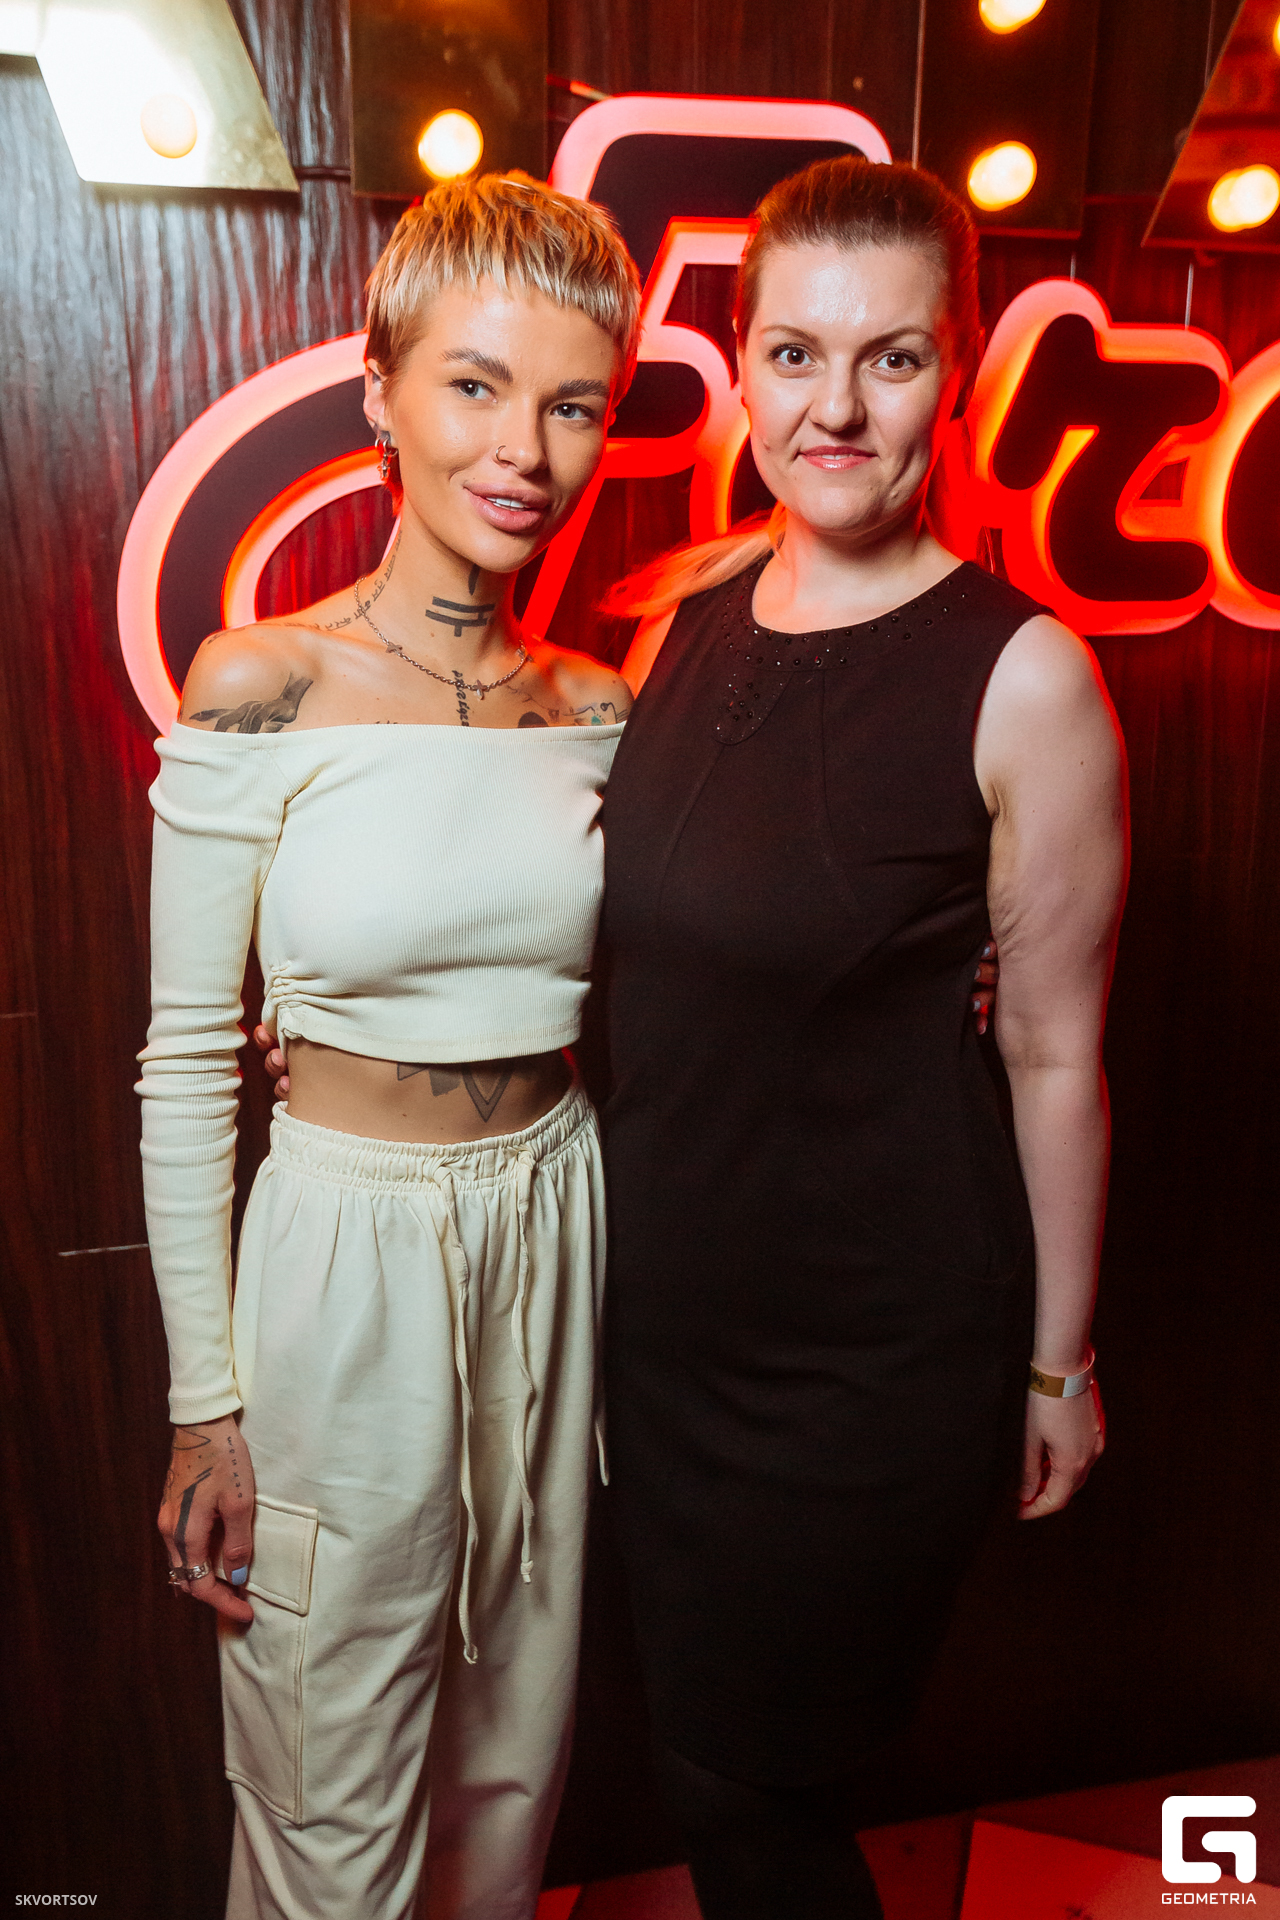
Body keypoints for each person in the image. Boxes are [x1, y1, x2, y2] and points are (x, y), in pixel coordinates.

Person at [595, 155, 1126, 1919]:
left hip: (869, 1360)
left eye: (891, 358)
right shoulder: (678, 628)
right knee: (704, 1762)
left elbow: (1055, 1050)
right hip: (665, 1338)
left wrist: (1058, 1365)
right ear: (743, 371)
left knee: (752, 1787)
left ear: (953, 377)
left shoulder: (1025, 673)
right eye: (797, 354)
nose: (837, 406)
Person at [137, 172, 640, 1920]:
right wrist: (204, 1411)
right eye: (474, 385)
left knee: (511, 1775)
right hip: (345, 1251)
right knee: (327, 1792)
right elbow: (186, 1061)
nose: (523, 450)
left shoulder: (600, 706)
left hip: (553, 1229)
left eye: (572, 404)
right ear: (382, 388)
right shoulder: (261, 683)